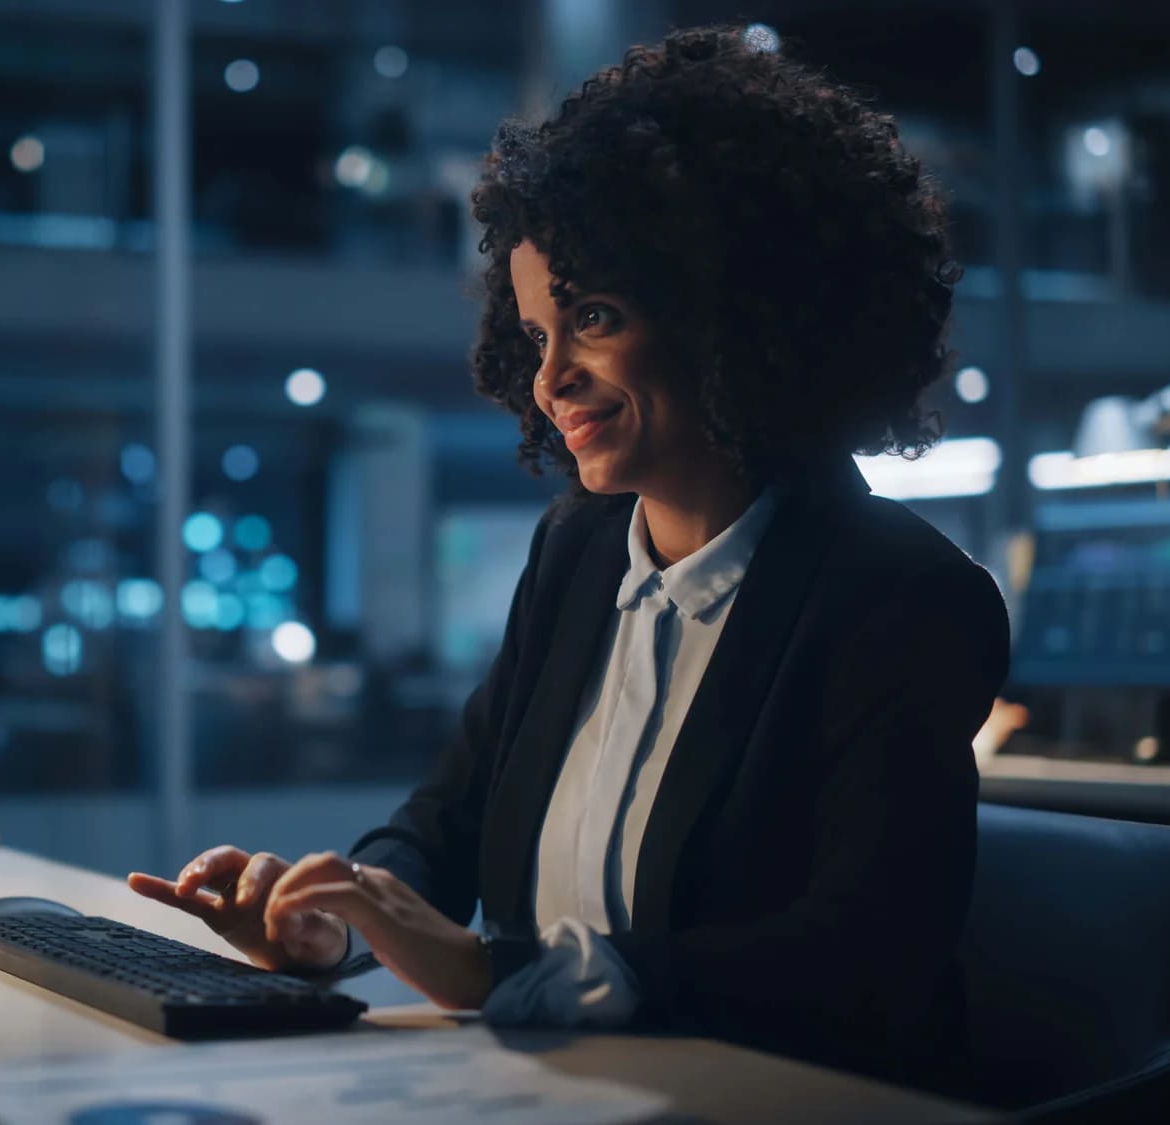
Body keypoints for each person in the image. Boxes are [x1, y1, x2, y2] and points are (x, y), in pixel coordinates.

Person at [129, 26, 1007, 1094]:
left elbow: (857, 964)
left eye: (592, 319)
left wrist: (504, 972)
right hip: (557, 1094)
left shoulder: (900, 598)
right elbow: (445, 824)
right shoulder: (580, 547)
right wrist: (334, 914)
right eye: (534, 333)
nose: (549, 380)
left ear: (734, 312)